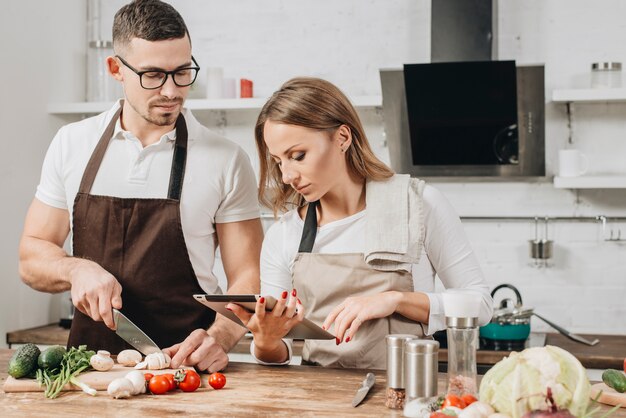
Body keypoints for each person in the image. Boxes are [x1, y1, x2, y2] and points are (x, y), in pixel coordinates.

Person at [18, 0, 263, 373]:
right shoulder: (72, 143)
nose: (171, 90)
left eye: (182, 72)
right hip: (86, 372)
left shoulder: (226, 159)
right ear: (116, 68)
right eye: (153, 75)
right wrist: (76, 270)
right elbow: (31, 257)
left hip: (186, 371)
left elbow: (248, 276)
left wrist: (221, 337)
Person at [228, 77, 493, 369]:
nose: (288, 175)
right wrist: (266, 341)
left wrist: (396, 300)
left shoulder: (419, 205)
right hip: (315, 402)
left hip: (406, 395)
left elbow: (479, 305)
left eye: (298, 156)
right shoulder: (284, 234)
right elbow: (278, 355)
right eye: (279, 161)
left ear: (342, 138)